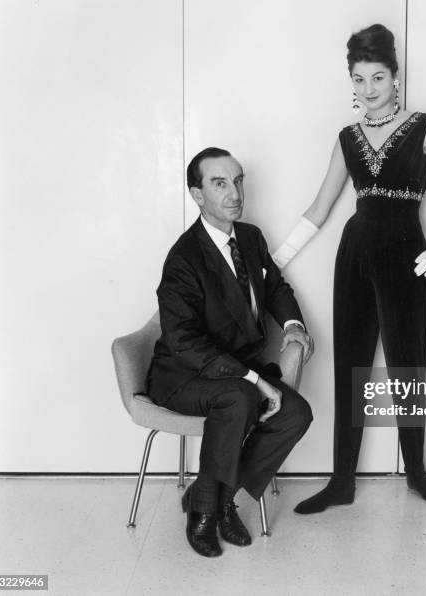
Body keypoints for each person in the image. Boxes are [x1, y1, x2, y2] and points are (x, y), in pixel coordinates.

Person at [273, 24, 426, 513]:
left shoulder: (424, 127)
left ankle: (415, 473)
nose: (368, 89)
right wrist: (274, 262)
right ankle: (341, 482)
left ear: (395, 76)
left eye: (377, 77)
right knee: (350, 365)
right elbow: (319, 208)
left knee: (404, 367)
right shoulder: (347, 137)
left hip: (404, 256)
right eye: (359, 79)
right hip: (353, 257)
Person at [147, 147, 314, 556]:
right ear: (198, 195)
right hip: (183, 374)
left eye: (238, 180)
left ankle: (217, 497)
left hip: (236, 368)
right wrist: (255, 379)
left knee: (296, 412)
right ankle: (203, 514)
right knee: (239, 395)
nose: (234, 193)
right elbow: (185, 342)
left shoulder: (252, 237)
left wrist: (293, 325)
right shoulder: (184, 258)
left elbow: (275, 287)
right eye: (219, 183)